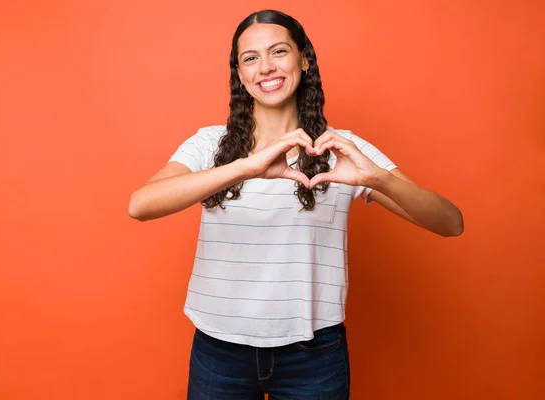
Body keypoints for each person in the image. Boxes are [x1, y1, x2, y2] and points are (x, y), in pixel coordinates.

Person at [128, 9, 463, 400]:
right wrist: (245, 168)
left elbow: (450, 223)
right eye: (250, 58)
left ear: (304, 60)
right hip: (219, 350)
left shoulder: (343, 149)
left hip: (315, 355)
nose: (265, 67)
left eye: (279, 52)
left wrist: (378, 178)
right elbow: (141, 204)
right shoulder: (209, 144)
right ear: (239, 73)